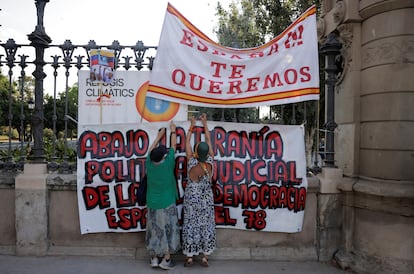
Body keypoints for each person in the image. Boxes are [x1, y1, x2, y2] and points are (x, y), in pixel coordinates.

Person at [145, 121, 181, 270]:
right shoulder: (168, 164)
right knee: (169, 230)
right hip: (167, 203)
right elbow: (174, 146)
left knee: (154, 230)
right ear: (162, 157)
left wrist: (158, 136)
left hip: (152, 204)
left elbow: (150, 151)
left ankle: (154, 258)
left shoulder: (148, 163)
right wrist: (173, 131)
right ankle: (166, 259)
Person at [182, 113, 216, 267]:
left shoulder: (191, 161)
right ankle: (204, 256)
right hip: (206, 199)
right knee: (206, 225)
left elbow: (186, 142)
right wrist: (205, 124)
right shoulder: (210, 161)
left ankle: (189, 257)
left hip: (191, 199)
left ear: (196, 151)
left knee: (190, 225)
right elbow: (208, 140)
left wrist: (192, 125)